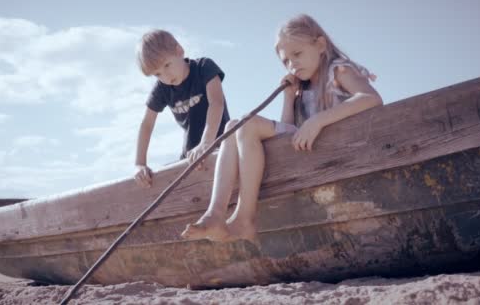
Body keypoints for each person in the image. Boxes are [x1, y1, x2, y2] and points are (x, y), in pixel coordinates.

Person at [181, 14, 383, 244]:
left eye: (297, 54)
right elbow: (289, 129)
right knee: (233, 126)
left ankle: (244, 219)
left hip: (338, 149)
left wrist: (318, 121)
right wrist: (289, 98)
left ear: (320, 45)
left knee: (246, 123)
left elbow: (371, 98)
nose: (292, 64)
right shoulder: (301, 88)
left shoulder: (338, 71)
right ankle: (216, 213)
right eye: (286, 61)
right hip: (306, 151)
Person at [134, 29, 230, 187]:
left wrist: (206, 143)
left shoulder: (204, 67)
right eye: (157, 74)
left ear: (179, 51)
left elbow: (216, 103)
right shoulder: (162, 88)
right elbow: (146, 124)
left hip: (221, 145)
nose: (165, 76)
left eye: (167, 65)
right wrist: (140, 164)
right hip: (190, 156)